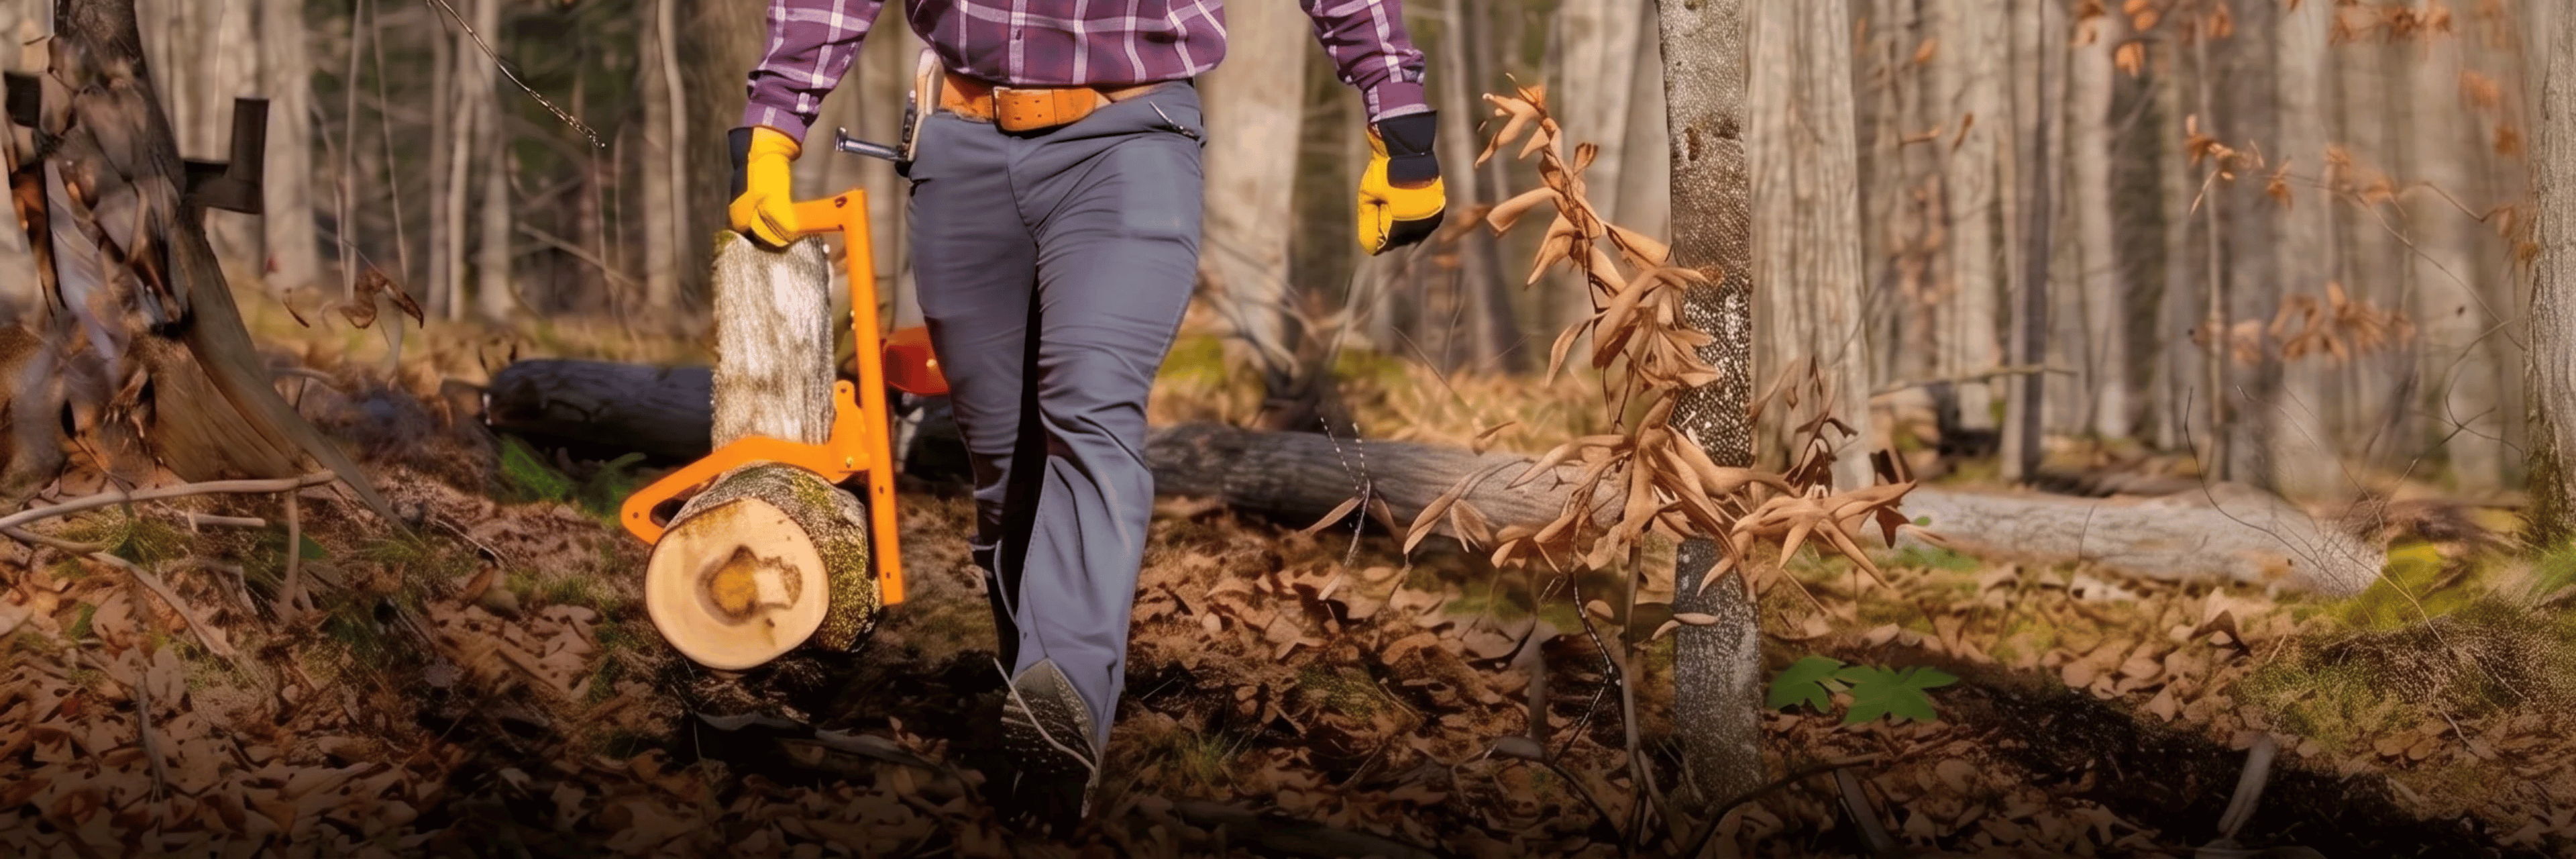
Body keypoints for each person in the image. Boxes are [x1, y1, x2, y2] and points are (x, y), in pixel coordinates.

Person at [730, 0, 1447, 830]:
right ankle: (1030, 681)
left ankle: (1063, 695)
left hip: (1133, 139)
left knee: (1091, 405)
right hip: (958, 142)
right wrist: (774, 124)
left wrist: (1397, 111)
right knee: (1004, 460)